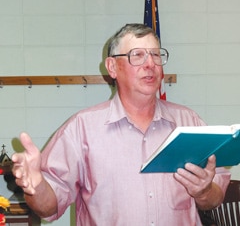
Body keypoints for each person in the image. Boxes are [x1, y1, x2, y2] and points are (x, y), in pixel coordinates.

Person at [11, 23, 230, 226]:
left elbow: (215, 197)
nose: (150, 64)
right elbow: (48, 207)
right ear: (112, 67)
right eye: (137, 55)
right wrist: (37, 186)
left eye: (155, 54)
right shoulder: (82, 129)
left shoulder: (189, 122)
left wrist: (204, 192)